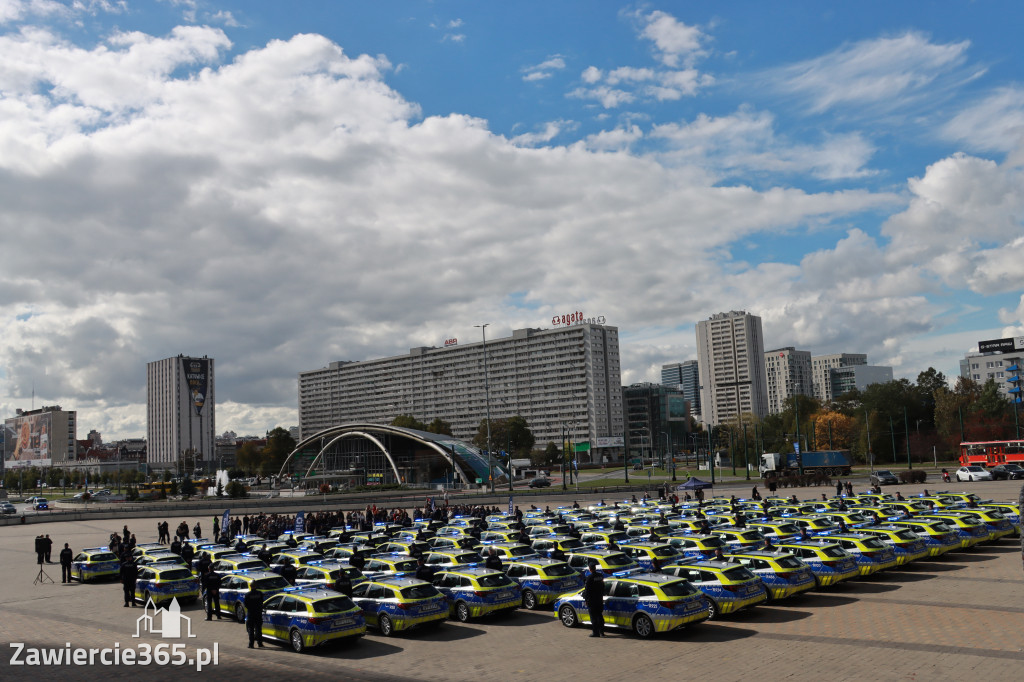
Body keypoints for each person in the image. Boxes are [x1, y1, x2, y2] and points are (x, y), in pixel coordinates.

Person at [583, 560, 605, 638]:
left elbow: (587, 590)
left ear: (590, 569)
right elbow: (603, 587)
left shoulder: (589, 578)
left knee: (593, 617)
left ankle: (596, 633)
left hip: (592, 600)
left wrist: (586, 600)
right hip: (599, 599)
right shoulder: (600, 576)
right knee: (599, 615)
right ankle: (602, 631)